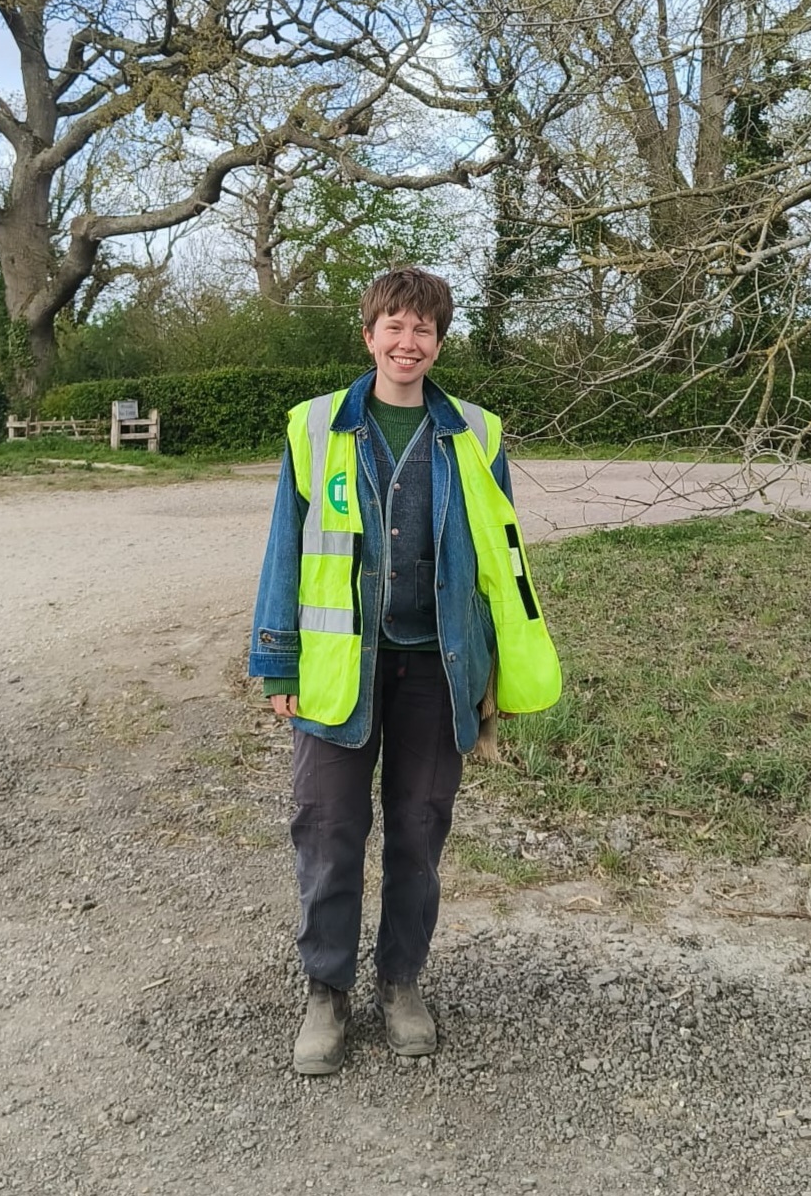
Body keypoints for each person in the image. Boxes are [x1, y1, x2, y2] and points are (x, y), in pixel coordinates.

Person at [248, 267, 561, 1076]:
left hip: (438, 665)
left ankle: (401, 981)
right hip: (337, 667)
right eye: (393, 324)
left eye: (422, 328)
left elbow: (500, 560)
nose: (406, 341)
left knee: (419, 833)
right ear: (368, 334)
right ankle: (326, 990)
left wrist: (493, 668)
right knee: (327, 830)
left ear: (440, 341)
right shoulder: (316, 428)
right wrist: (278, 656)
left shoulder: (477, 434)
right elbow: (287, 546)